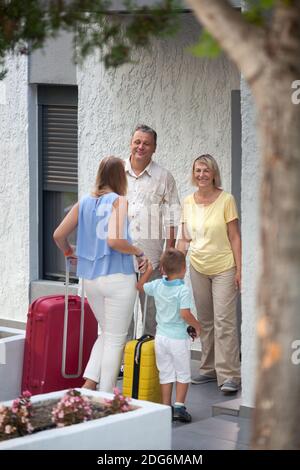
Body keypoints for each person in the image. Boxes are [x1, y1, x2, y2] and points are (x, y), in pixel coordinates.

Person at [53, 156, 147, 393]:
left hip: (91, 281)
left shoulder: (83, 201)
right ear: (119, 177)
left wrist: (68, 252)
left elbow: (58, 234)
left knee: (107, 333)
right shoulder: (119, 201)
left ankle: (88, 384)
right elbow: (115, 241)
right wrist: (138, 251)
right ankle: (106, 399)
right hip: (118, 278)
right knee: (116, 338)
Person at [177, 154, 241, 394]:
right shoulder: (188, 202)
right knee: (205, 320)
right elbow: (184, 238)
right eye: (197, 171)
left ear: (214, 173)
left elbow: (234, 236)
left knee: (224, 321)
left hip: (224, 267)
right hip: (198, 267)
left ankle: (230, 375)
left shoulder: (226, 200)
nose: (201, 175)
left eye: (206, 170)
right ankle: (208, 368)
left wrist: (240, 269)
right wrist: (175, 266)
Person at [126, 124, 181, 337]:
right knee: (122, 316)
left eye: (146, 143)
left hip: (151, 260)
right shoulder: (116, 172)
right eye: (137, 142)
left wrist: (169, 253)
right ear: (131, 143)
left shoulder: (164, 177)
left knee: (152, 316)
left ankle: (148, 366)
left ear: (154, 147)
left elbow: (173, 216)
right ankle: (124, 363)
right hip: (119, 258)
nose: (141, 147)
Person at [137, 248, 201, 423]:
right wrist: (197, 326)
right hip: (178, 339)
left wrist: (149, 271)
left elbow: (140, 287)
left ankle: (166, 407)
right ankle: (179, 407)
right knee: (182, 373)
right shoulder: (183, 290)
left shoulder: (157, 285)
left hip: (161, 338)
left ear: (162, 269)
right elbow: (185, 314)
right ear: (184, 269)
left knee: (165, 372)